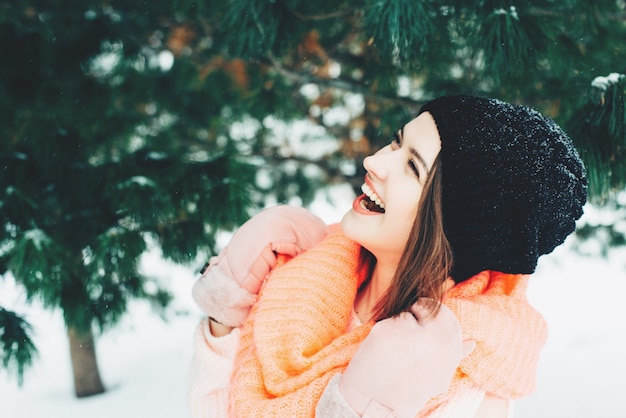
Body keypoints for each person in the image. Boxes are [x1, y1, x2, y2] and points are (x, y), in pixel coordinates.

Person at [188, 95, 587, 417]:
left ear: (455, 225)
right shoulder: (298, 273)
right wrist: (224, 318)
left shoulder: (466, 386)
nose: (373, 161)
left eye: (411, 166)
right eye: (396, 142)